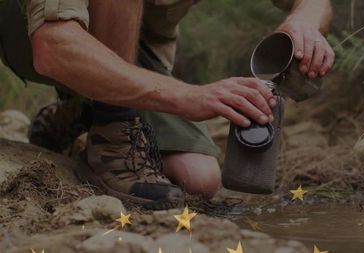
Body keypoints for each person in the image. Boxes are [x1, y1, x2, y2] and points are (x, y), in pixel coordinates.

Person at [0, 0, 334, 210]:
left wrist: (304, 20)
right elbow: (54, 47)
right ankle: (111, 132)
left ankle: (79, 110)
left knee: (199, 179)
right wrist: (188, 97)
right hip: (33, 28)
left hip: (131, 45)